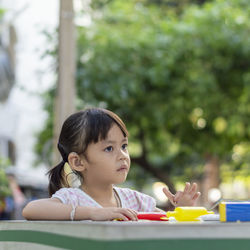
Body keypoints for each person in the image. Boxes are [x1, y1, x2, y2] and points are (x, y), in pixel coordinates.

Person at [22, 108, 200, 221]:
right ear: (78, 162)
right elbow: (31, 209)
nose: (123, 155)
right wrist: (92, 213)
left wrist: (182, 210)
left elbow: (165, 221)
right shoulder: (72, 198)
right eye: (109, 148)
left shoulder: (135, 200)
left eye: (124, 146)